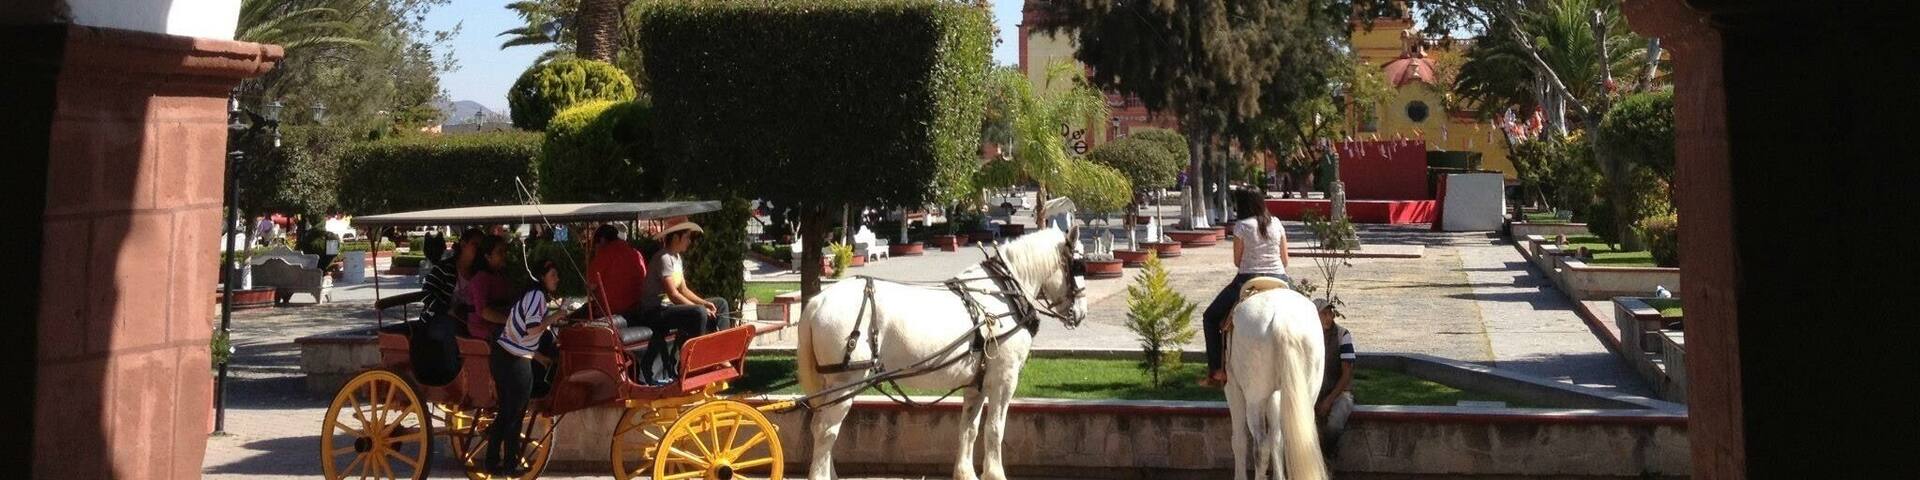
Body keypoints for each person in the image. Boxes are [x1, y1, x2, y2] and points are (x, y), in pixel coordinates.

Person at [486, 259, 571, 476]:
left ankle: (492, 461)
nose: (557, 279)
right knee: (515, 413)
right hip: (514, 361)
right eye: (553, 275)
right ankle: (510, 464)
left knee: (506, 411)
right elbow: (532, 329)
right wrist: (557, 315)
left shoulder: (532, 295)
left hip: (504, 356)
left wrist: (537, 356)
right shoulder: (537, 296)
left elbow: (522, 334)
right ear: (543, 277)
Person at [1200, 189, 1292, 386]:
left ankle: (1217, 370)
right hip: (1279, 277)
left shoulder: (1242, 226)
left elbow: (1237, 261)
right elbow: (1285, 259)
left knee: (1209, 318)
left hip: (1248, 278)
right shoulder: (1276, 223)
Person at [636, 222, 729, 385]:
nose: (689, 242)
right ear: (676, 237)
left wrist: (705, 303)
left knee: (720, 303)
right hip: (656, 311)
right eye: (687, 237)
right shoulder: (663, 258)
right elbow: (673, 294)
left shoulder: (677, 258)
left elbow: (684, 290)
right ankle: (692, 363)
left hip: (672, 308)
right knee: (698, 313)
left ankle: (720, 354)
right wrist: (699, 308)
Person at [1315, 298, 1356, 459]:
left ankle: (1327, 455)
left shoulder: (1342, 335)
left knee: (1335, 423)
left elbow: (1347, 374)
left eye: (1330, 313)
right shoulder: (1306, 336)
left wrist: (1329, 400)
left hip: (1339, 392)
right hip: (1314, 391)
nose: (1328, 317)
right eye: (1323, 314)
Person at [586, 224, 648, 316]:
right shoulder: (636, 253)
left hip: (610, 312)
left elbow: (590, 286)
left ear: (602, 240)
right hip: (637, 308)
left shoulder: (603, 255)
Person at [464, 235, 516, 339]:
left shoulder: (501, 276)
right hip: (485, 329)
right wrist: (510, 321)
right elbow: (484, 311)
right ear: (487, 256)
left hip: (500, 326)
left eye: (505, 252)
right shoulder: (480, 279)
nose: (504, 255)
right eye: (500, 252)